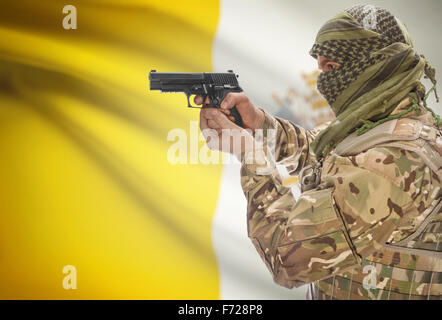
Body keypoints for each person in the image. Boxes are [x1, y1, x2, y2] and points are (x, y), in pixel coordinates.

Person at [195, 5, 441, 300]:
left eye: (331, 69)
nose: (323, 81)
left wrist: (250, 155)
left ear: (374, 64)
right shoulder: (389, 122)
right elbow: (322, 152)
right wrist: (260, 123)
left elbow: (287, 259)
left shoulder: (394, 164)